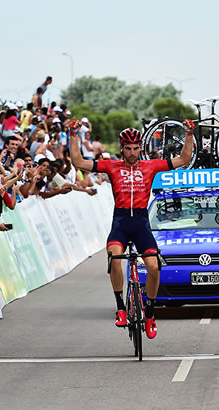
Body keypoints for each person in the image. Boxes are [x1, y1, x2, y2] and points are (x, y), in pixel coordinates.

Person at [70, 120, 195, 339]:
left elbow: (184, 159)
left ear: (141, 148)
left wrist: (190, 134)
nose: (132, 152)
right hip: (120, 223)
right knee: (114, 257)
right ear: (121, 148)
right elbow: (78, 161)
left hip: (141, 224)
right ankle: (120, 307)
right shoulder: (111, 166)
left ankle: (149, 312)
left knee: (154, 267)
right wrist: (73, 135)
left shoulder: (151, 166)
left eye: (136, 148)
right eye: (128, 148)